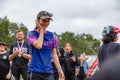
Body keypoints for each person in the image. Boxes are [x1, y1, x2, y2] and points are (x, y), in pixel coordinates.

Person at [27, 11, 64, 80]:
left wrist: (60, 70)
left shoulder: (52, 35)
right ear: (38, 20)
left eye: (48, 21)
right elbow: (39, 46)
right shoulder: (31, 34)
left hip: (48, 71)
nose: (46, 23)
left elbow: (54, 54)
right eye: (44, 20)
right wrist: (41, 30)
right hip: (35, 71)